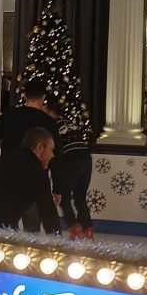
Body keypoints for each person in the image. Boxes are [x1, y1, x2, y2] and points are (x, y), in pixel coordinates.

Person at [47, 99, 93, 239]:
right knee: (80, 197)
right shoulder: (72, 124)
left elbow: (55, 151)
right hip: (86, 159)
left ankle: (74, 228)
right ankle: (88, 229)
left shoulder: (52, 126)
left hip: (70, 161)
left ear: (51, 112)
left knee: (63, 197)